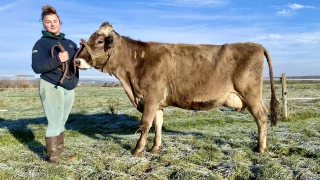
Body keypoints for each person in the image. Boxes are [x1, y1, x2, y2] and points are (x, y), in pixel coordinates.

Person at [31, 5, 79, 164]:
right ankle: (53, 157)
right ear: (43, 24)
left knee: (62, 120)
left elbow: (78, 62)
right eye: (48, 22)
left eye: (55, 21)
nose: (52, 24)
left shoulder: (70, 43)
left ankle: (60, 151)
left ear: (60, 22)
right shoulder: (41, 44)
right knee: (54, 121)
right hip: (51, 85)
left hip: (68, 87)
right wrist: (58, 60)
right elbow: (37, 67)